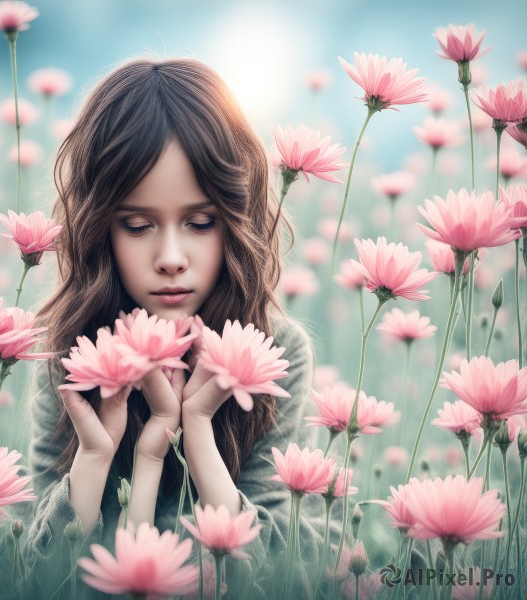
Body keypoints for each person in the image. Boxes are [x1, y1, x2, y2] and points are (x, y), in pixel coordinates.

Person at [25, 57, 325, 599]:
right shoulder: (70, 353)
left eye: (200, 223)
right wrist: (93, 462)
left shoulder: (276, 351)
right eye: (138, 226)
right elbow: (34, 579)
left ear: (235, 223)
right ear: (100, 229)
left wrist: (200, 432)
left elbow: (282, 574)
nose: (170, 257)